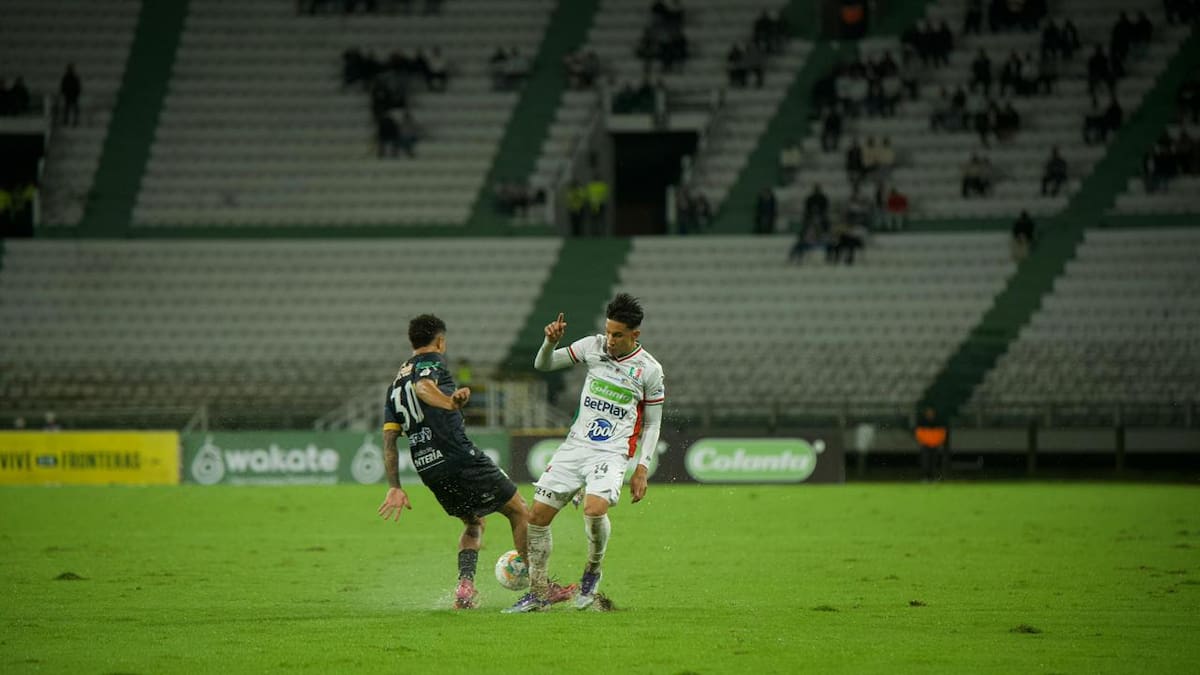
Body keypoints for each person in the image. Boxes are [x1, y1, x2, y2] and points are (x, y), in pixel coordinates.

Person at [378, 315, 554, 610]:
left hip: (428, 468)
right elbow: (424, 387)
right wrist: (449, 402)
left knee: (474, 522)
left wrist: (394, 486)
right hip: (457, 456)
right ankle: (541, 588)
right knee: (520, 511)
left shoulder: (394, 386)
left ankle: (464, 588)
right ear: (440, 341)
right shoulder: (431, 362)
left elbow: (389, 442)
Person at [505, 295, 666, 612]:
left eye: (618, 334)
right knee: (536, 517)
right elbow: (544, 364)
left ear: (636, 335)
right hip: (574, 447)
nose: (610, 339)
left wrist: (642, 469)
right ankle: (539, 594)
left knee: (594, 510)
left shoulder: (649, 370)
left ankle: (592, 571)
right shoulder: (592, 346)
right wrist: (549, 343)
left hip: (612, 451)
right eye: (608, 331)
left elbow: (652, 424)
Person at [913, 407, 947, 482]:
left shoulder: (938, 422)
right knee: (925, 462)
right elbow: (918, 433)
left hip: (935, 445)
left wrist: (938, 442)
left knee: (934, 463)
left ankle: (933, 478)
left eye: (931, 412)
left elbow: (942, 434)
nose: (930, 414)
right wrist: (923, 441)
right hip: (925, 445)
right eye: (928, 412)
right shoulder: (922, 422)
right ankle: (925, 478)